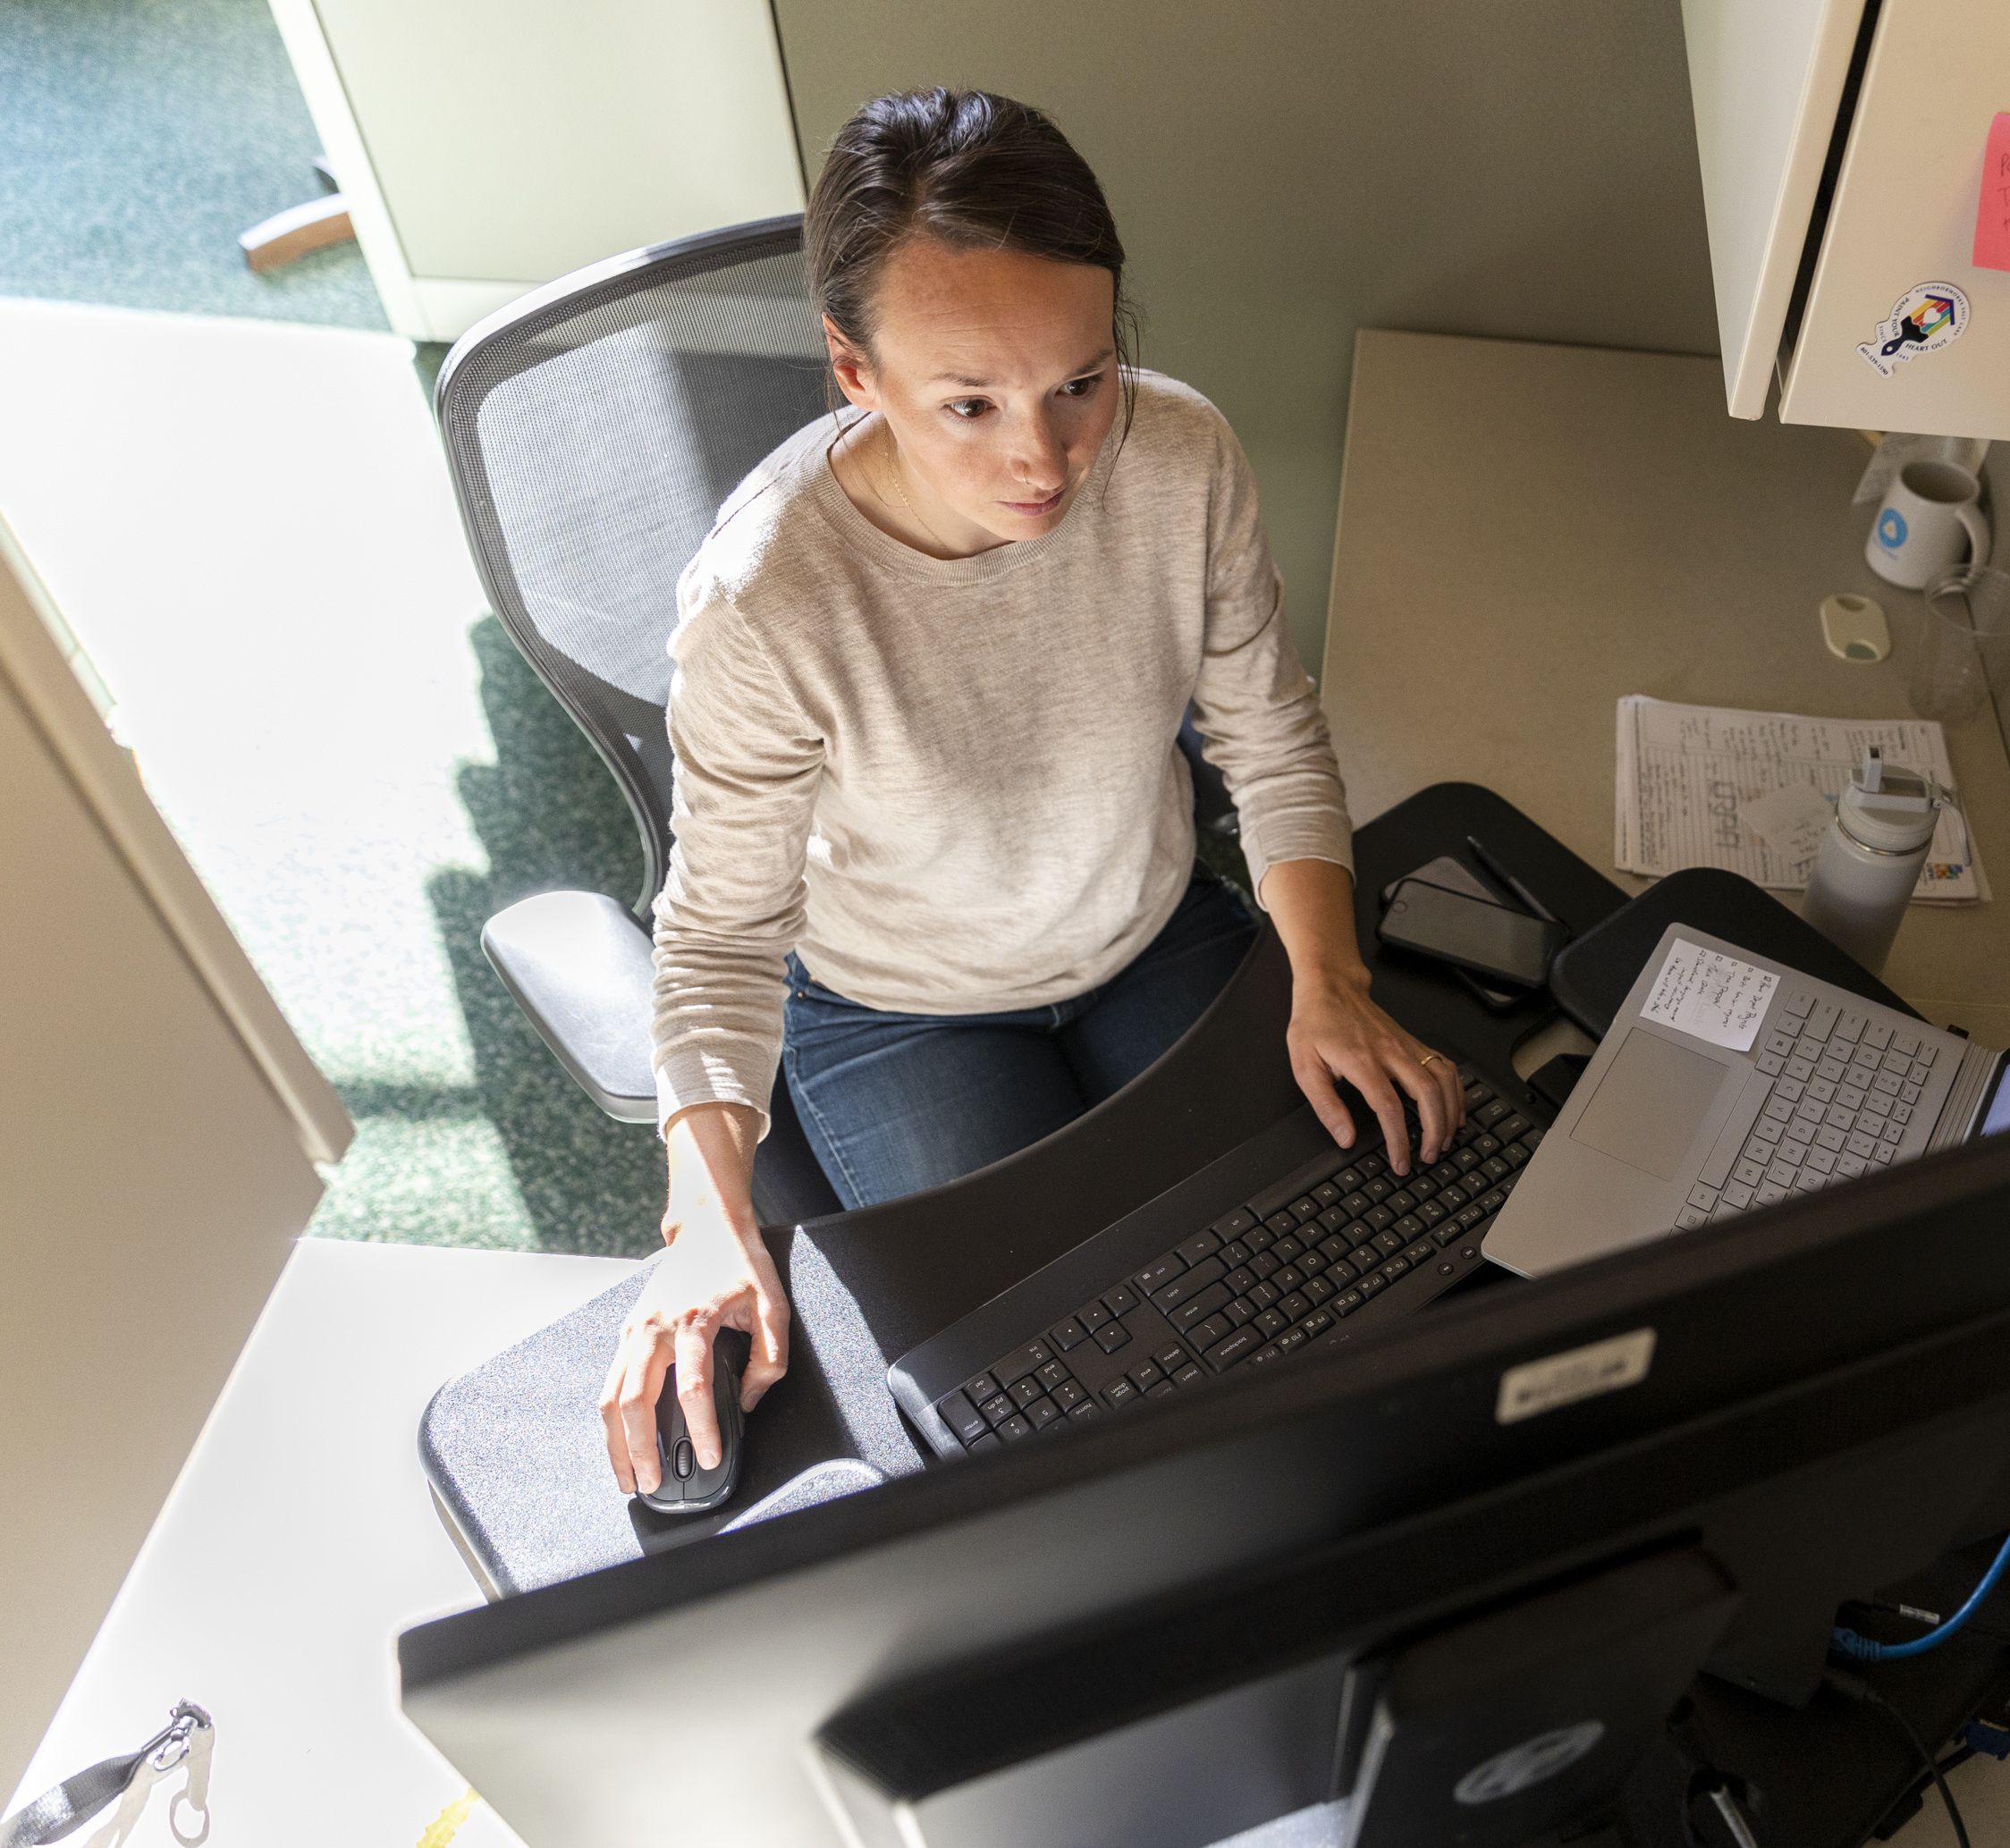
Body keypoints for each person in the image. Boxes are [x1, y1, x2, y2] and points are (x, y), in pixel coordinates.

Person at [597, 89, 1462, 1496]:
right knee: (1055, 1392)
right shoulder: (766, 602)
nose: (1045, 459)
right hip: (896, 1006)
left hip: (1150, 923)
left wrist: (1329, 972)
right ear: (852, 370)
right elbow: (719, 939)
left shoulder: (1181, 456)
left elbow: (1272, 733)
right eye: (970, 404)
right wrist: (702, 1221)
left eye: (1081, 381)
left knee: (1352, 1257)